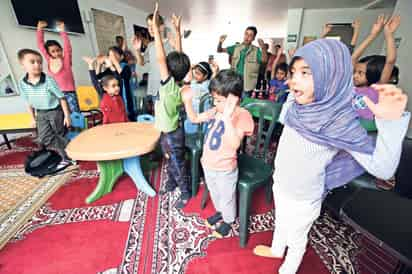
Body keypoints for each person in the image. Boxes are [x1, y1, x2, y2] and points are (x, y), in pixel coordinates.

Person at [252, 39, 410, 274]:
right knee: (282, 220)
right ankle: (276, 249)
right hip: (282, 183)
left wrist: (389, 121)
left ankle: (288, 269)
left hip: (305, 197)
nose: (294, 79)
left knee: (296, 237)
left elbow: (383, 169)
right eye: (294, 72)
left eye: (306, 73)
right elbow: (286, 121)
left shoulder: (339, 122)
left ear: (331, 77)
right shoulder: (297, 104)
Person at [182, 69, 254, 238]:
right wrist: (187, 102)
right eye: (214, 99)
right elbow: (194, 119)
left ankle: (228, 220)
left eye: (219, 100)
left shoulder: (242, 115)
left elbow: (235, 144)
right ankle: (221, 212)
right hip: (208, 163)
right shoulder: (216, 111)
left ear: (234, 98)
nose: (215, 104)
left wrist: (228, 117)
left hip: (225, 167)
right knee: (215, 193)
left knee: (227, 197)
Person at [151, 3, 191, 209]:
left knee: (176, 161)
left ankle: (185, 192)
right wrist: (176, 32)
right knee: (169, 158)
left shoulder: (169, 86)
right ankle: (173, 181)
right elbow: (180, 59)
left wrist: (157, 31)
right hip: (169, 130)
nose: (163, 64)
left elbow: (161, 58)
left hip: (172, 133)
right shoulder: (178, 83)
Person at [17, 49, 73, 167]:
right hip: (40, 113)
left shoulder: (48, 80)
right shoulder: (22, 84)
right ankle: (70, 145)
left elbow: (61, 98)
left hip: (55, 111)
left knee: (59, 134)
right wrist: (32, 118)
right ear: (22, 64)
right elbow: (28, 103)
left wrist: (67, 116)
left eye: (39, 62)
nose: (37, 65)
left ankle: (67, 158)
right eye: (32, 62)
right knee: (44, 137)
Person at [131, 11, 176, 114]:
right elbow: (142, 62)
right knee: (158, 116)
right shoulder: (150, 45)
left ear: (161, 27)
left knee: (169, 116)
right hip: (154, 86)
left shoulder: (170, 43)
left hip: (167, 87)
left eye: (153, 25)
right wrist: (137, 50)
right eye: (148, 25)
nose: (150, 28)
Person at [37, 20, 79, 113]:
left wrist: (62, 30)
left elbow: (67, 47)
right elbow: (40, 45)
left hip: (69, 94)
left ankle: (78, 128)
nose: (57, 53)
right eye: (53, 51)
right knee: (61, 118)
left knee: (75, 117)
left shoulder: (66, 60)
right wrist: (40, 29)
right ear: (49, 53)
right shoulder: (49, 60)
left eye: (58, 50)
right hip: (55, 95)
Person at [217, 27, 268, 96]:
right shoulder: (235, 47)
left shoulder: (256, 50)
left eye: (250, 35)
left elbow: (264, 60)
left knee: (243, 103)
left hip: (247, 84)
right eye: (246, 34)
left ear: (253, 38)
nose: (247, 37)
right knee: (232, 101)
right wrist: (220, 42)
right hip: (234, 81)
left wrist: (263, 47)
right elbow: (219, 50)